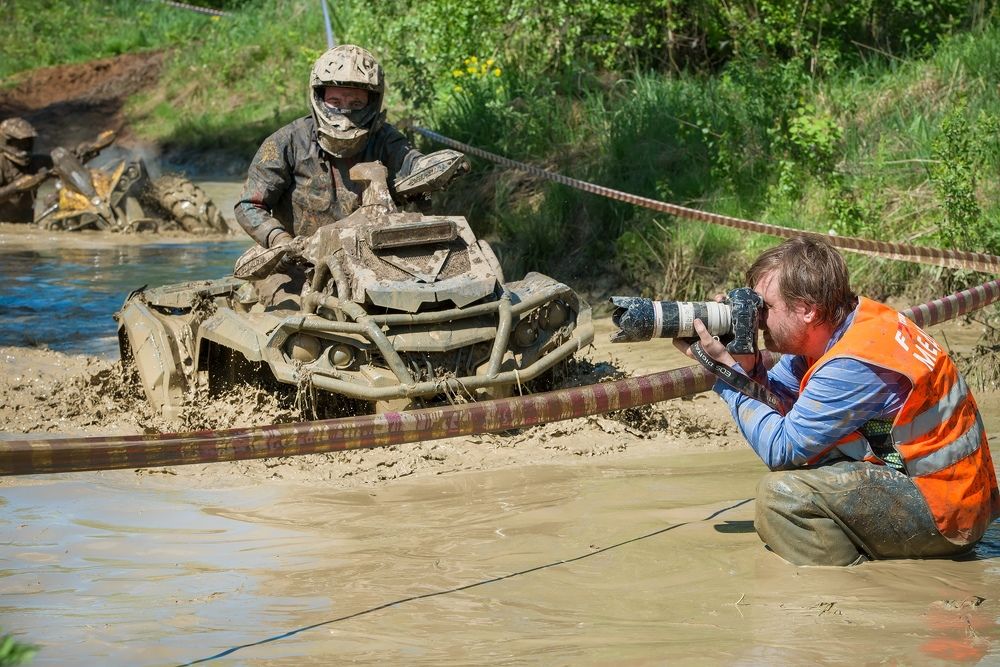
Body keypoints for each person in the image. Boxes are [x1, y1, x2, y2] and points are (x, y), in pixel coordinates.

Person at [674, 235, 1000, 566]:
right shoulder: (844, 327)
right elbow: (780, 401)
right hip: (950, 494)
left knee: (781, 497)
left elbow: (782, 449)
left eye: (766, 307)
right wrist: (745, 365)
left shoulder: (855, 363)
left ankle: (857, 582)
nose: (757, 319)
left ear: (807, 310)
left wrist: (725, 375)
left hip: (947, 512)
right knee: (813, 463)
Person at [234, 44, 467, 307]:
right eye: (335, 102)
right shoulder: (286, 142)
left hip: (372, 266)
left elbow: (411, 163)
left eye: (356, 104)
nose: (344, 112)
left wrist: (435, 168)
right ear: (319, 97)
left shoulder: (385, 139)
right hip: (295, 267)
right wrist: (280, 241)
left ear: (372, 102)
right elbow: (248, 204)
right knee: (291, 314)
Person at [0, 117, 48, 222]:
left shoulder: (35, 161)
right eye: (20, 143)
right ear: (7, 142)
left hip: (25, 225)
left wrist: (82, 151)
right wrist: (16, 187)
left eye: (28, 142)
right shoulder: (1, 162)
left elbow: (61, 160)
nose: (25, 146)